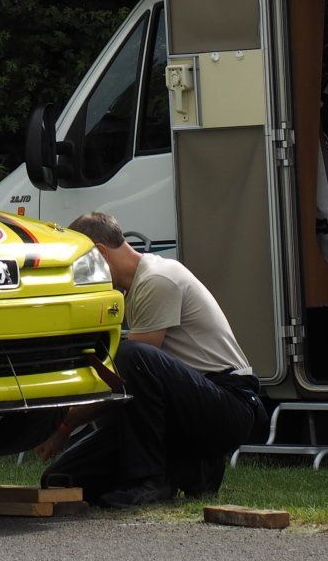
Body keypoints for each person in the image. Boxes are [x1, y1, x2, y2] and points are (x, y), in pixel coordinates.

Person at [36, 211, 266, 506]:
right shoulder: (134, 289)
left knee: (131, 356)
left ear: (100, 253)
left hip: (227, 404)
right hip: (182, 410)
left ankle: (148, 482)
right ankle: (189, 467)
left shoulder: (157, 280)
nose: (79, 276)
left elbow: (124, 379)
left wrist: (64, 425)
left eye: (81, 265)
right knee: (62, 479)